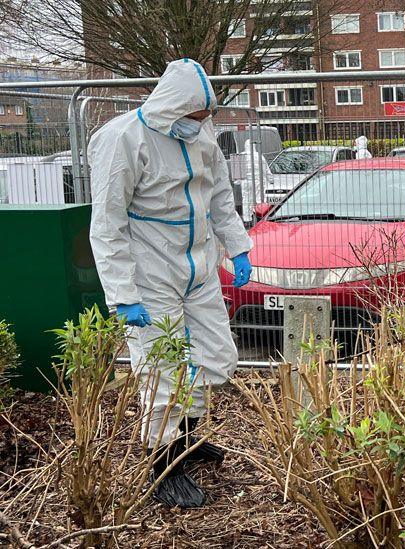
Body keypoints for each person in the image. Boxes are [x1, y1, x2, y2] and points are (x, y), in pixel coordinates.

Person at [88, 59, 253, 508]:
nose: (199, 125)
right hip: (150, 273)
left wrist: (237, 245)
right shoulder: (123, 139)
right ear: (170, 106)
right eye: (193, 116)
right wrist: (123, 294)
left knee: (215, 358)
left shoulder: (200, 137)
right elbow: (106, 223)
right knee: (162, 372)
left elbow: (219, 194)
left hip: (198, 267)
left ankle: (188, 441)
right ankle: (164, 464)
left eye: (204, 118)